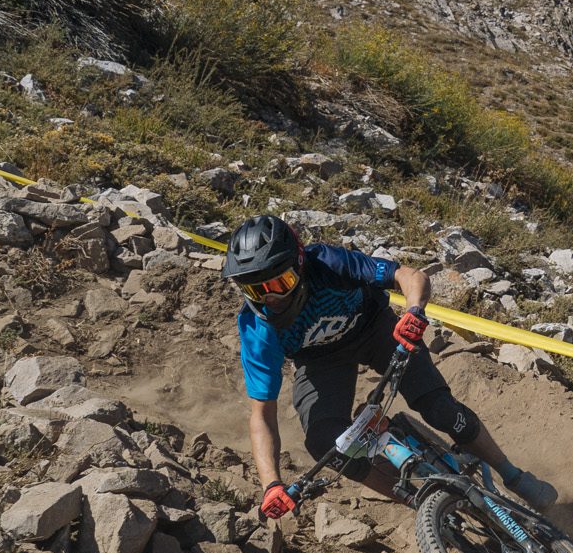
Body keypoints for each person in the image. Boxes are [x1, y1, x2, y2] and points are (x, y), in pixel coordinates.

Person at [222, 214, 552, 518]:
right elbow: (262, 413)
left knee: (440, 409)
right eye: (256, 289)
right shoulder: (257, 328)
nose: (270, 299)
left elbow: (408, 276)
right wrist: (272, 485)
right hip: (319, 362)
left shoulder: (327, 264)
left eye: (278, 284)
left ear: (298, 263)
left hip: (375, 329)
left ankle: (512, 475)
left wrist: (414, 312)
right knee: (325, 442)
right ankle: (422, 505)